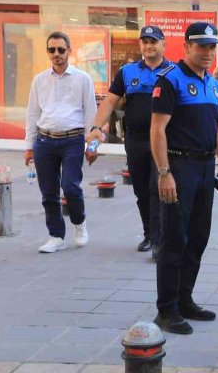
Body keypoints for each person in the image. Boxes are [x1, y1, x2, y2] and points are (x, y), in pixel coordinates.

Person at [151, 22, 218, 335]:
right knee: (175, 238)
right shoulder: (170, 80)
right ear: (186, 46)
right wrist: (164, 173)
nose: (208, 52)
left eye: (212, 46)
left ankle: (184, 299)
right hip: (178, 167)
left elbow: (216, 130)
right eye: (201, 46)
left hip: (203, 170)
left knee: (198, 238)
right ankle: (166, 310)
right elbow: (157, 129)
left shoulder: (212, 84)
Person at [86, 26, 171, 255]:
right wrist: (96, 127)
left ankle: (158, 241)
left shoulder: (174, 71)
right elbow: (109, 102)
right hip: (135, 140)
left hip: (163, 141)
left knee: (157, 187)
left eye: (153, 41)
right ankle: (149, 234)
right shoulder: (127, 71)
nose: (148, 45)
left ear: (164, 44)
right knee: (142, 190)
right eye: (144, 41)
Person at [24, 31, 96, 253]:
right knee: (48, 192)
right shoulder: (39, 80)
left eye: (61, 50)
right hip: (45, 141)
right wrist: (29, 146)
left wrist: (92, 145)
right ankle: (55, 235)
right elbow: (32, 114)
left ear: (69, 51)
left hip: (72, 140)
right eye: (52, 50)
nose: (57, 54)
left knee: (70, 186)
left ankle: (79, 223)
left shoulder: (83, 79)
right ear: (48, 52)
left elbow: (91, 113)